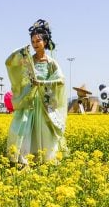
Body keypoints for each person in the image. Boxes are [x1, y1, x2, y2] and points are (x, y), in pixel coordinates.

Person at [5, 19, 67, 165]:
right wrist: (20, 53)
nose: (35, 44)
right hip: (30, 102)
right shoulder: (28, 61)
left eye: (38, 41)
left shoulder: (51, 62)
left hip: (44, 103)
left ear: (45, 42)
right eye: (32, 41)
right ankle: (25, 160)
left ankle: (46, 161)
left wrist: (43, 83)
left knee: (45, 132)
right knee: (25, 131)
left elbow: (61, 80)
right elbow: (12, 65)